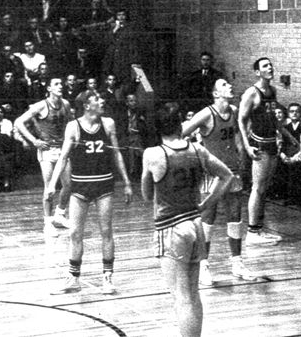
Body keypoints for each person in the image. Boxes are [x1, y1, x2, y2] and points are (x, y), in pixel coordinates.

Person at [141, 103, 233, 337]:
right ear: (179, 124)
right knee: (193, 294)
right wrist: (207, 203)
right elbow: (226, 176)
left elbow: (146, 194)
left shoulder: (153, 154)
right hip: (195, 222)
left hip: (171, 226)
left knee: (181, 297)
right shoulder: (198, 150)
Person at [48, 92, 133, 295]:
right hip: (80, 187)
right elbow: (63, 157)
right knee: (75, 233)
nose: (102, 101)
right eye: (97, 99)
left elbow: (116, 153)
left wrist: (127, 182)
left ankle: (107, 278)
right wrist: (52, 184)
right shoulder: (74, 126)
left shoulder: (109, 123)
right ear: (87, 105)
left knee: (106, 232)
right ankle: (73, 279)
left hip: (104, 184)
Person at [181, 78, 259, 286]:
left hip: (232, 171)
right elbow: (181, 133)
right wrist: (194, 154)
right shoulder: (206, 114)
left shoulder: (234, 111)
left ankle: (237, 263)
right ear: (216, 94)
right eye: (224, 85)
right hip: (211, 173)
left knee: (235, 217)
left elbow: (239, 134)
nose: (230, 87)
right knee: (208, 218)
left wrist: (244, 149)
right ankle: (203, 265)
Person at [14, 76, 74, 235]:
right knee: (49, 188)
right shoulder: (41, 106)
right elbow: (19, 122)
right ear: (49, 88)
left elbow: (70, 123)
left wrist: (71, 139)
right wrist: (34, 140)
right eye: (56, 84)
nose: (60, 86)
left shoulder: (66, 104)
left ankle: (60, 215)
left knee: (68, 185)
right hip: (47, 151)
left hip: (62, 150)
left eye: (61, 83)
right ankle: (48, 223)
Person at [238, 57, 285, 243]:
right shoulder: (251, 93)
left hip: (272, 141)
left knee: (265, 188)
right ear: (258, 72)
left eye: (271, 64)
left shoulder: (272, 91)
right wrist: (247, 146)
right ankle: (251, 232)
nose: (270, 67)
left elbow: (272, 118)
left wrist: (281, 134)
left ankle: (259, 229)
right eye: (265, 66)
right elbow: (241, 120)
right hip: (259, 144)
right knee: (257, 188)